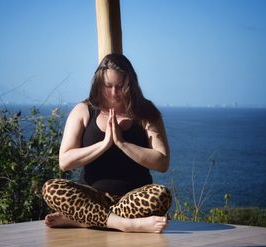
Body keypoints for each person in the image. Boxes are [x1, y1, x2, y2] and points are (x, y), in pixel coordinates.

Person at [42, 53, 172, 233]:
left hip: (131, 199)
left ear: (130, 84)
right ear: (98, 83)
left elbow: (162, 162)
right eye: (108, 86)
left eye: (120, 86)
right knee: (51, 188)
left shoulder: (146, 112)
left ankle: (85, 219)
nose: (114, 93)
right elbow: (64, 162)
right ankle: (124, 224)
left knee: (161, 195)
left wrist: (122, 143)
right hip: (91, 197)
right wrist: (104, 144)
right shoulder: (83, 110)